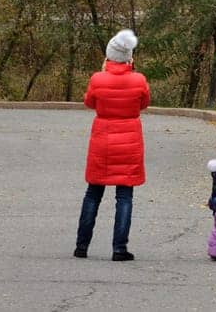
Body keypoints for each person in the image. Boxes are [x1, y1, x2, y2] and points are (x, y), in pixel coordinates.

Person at [75, 28, 149, 261]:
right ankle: (119, 248)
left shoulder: (97, 79)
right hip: (129, 140)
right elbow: (144, 103)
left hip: (102, 140)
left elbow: (89, 102)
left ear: (108, 56)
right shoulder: (139, 80)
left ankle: (82, 246)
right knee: (124, 196)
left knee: (93, 193)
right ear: (129, 57)